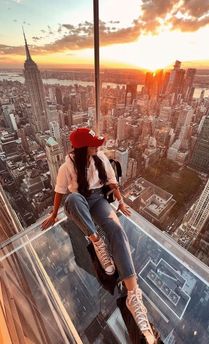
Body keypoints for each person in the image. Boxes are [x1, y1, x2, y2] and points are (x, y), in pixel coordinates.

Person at [42, 127, 156, 344]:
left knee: (117, 230)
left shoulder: (100, 158)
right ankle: (96, 242)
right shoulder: (67, 166)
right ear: (83, 148)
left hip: (98, 200)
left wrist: (121, 202)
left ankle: (133, 296)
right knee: (72, 200)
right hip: (80, 200)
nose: (98, 146)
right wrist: (54, 214)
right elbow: (59, 191)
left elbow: (112, 182)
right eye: (93, 144)